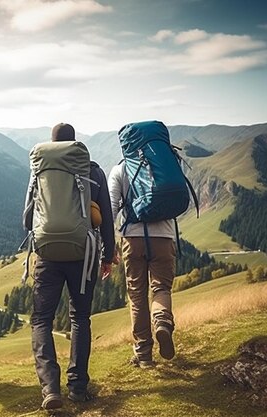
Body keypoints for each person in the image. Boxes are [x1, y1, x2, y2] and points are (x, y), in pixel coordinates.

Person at [24, 123, 115, 409]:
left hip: (47, 255)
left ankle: (50, 389)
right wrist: (108, 255)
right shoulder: (93, 170)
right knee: (79, 318)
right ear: (74, 144)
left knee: (41, 320)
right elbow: (108, 219)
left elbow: (27, 218)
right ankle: (77, 387)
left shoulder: (39, 170)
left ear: (51, 144)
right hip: (83, 254)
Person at [108, 155, 177, 369]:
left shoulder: (120, 169)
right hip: (164, 237)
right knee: (161, 288)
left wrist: (109, 247)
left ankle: (144, 355)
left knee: (137, 296)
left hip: (133, 238)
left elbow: (110, 208)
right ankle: (162, 321)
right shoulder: (166, 165)